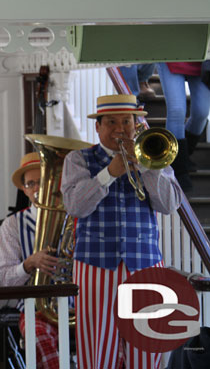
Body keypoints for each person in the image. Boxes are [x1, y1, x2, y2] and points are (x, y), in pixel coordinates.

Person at [60, 94, 182, 369]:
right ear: (98, 127)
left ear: (136, 125)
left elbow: (170, 205)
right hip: (95, 266)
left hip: (146, 264)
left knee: (147, 353)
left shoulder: (155, 155)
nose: (120, 128)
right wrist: (109, 172)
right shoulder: (78, 159)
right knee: (96, 353)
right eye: (112, 122)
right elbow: (75, 206)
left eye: (127, 121)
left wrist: (150, 169)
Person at [0, 152, 60, 369]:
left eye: (43, 182)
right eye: (31, 184)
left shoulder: (73, 215)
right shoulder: (12, 224)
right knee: (39, 339)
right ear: (24, 189)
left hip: (75, 306)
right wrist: (29, 264)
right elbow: (4, 280)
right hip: (35, 310)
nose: (37, 189)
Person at [157, 62, 210, 191]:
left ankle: (184, 154)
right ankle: (178, 167)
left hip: (201, 58)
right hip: (170, 56)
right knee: (176, 111)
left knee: (201, 112)